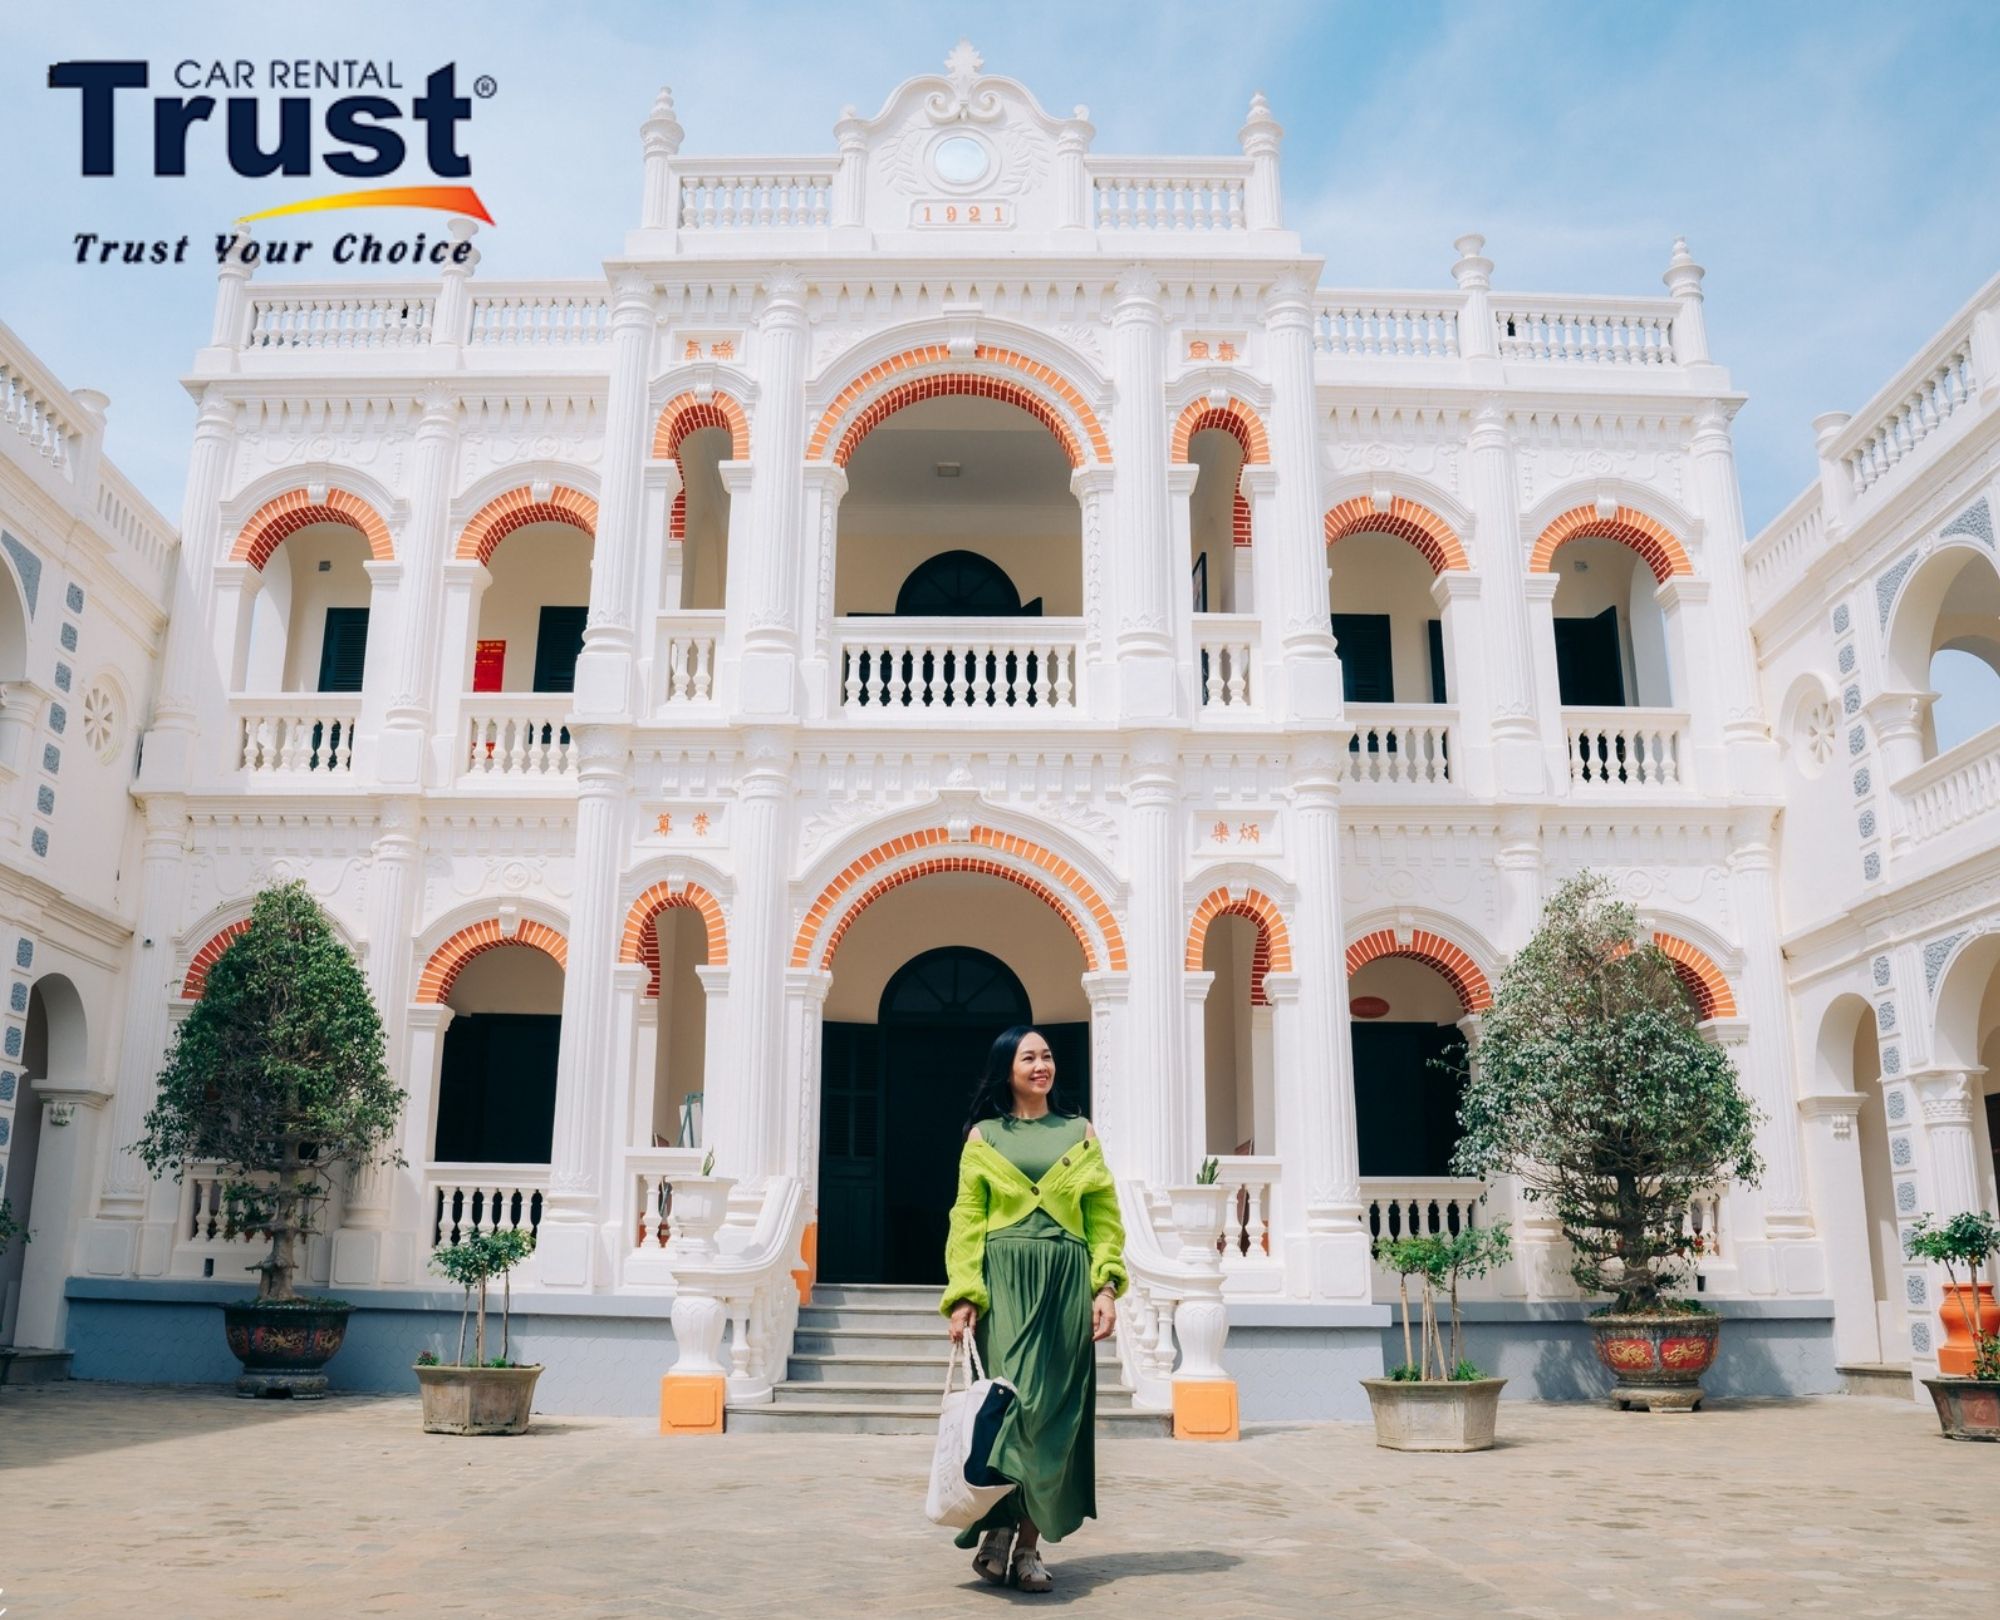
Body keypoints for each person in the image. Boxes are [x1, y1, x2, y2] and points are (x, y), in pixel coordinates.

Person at [940, 1024, 1127, 1594]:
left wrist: (1105, 1288)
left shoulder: (1079, 1131)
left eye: (1046, 1056)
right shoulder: (984, 1136)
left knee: (1052, 1417)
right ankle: (997, 1529)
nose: (1041, 1065)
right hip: (1005, 1282)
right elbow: (967, 1219)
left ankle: (1026, 1547)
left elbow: (1103, 1215)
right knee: (1009, 1410)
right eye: (1029, 1058)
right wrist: (964, 1293)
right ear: (1008, 1068)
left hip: (1066, 1280)